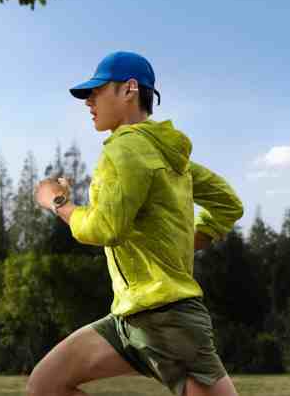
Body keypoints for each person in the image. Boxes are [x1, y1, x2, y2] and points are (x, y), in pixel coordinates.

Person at [29, 51, 243, 396]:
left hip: (166, 321)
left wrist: (58, 203)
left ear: (129, 89)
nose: (89, 102)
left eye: (97, 90)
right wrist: (182, 244)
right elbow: (228, 203)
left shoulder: (124, 148)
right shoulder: (169, 158)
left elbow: (105, 228)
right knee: (46, 383)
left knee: (45, 386)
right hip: (128, 321)